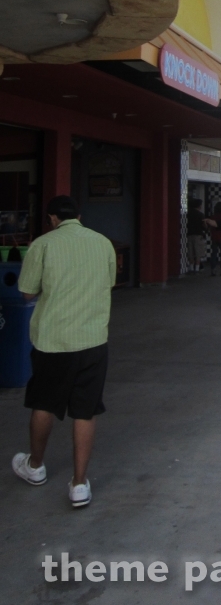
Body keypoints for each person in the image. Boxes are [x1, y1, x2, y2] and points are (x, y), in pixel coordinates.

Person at [13, 196, 116, 509]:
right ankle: (79, 484)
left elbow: (28, 291)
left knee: (43, 403)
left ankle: (35, 467)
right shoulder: (103, 243)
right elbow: (109, 283)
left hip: (53, 341)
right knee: (85, 410)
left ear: (52, 219)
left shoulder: (42, 245)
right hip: (93, 340)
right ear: (79, 216)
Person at [186, 197, 207, 272]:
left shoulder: (188, 214)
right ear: (199, 206)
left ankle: (191, 267)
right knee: (198, 251)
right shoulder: (201, 215)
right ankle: (197, 268)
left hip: (189, 234)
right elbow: (204, 225)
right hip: (198, 234)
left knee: (190, 251)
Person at [209, 201, 221, 276]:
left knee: (214, 253)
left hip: (214, 237)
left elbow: (210, 227)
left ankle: (213, 269)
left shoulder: (212, 217)